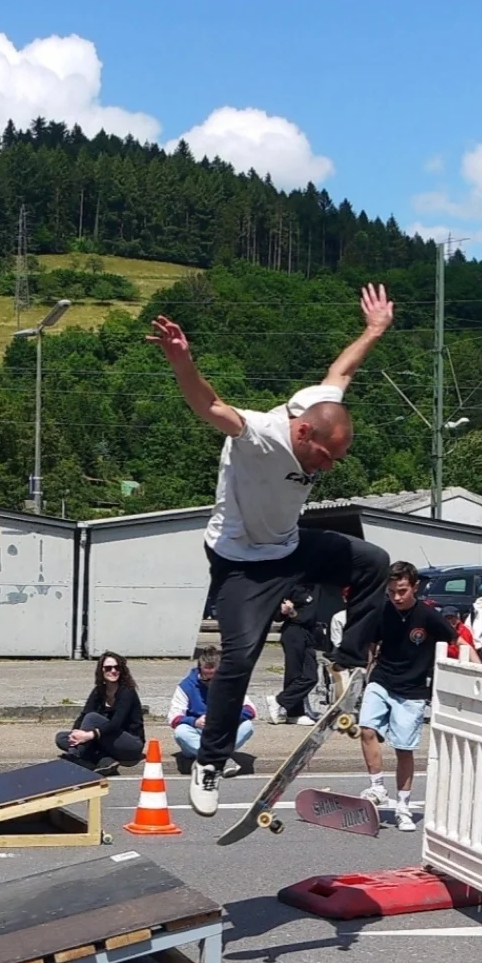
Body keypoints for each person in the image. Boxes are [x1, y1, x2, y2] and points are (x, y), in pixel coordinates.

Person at [148, 286, 395, 815]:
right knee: (239, 656)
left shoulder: (319, 406)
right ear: (302, 432)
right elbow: (209, 404)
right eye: (322, 458)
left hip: (289, 546)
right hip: (240, 562)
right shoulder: (258, 433)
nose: (324, 469)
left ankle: (348, 661)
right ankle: (211, 763)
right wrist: (182, 361)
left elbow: (341, 372)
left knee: (373, 562)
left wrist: (373, 330)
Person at [359, 562, 477, 832]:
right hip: (382, 679)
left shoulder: (428, 615)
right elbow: (372, 644)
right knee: (366, 729)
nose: (396, 597)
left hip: (412, 690)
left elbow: (460, 643)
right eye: (391, 591)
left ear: (414, 587)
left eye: (401, 591)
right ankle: (377, 788)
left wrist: (476, 671)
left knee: (403, 749)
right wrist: (365, 673)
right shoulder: (383, 609)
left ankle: (403, 807)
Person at [55, 652, 146, 776]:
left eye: (117, 667)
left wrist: (89, 735)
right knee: (61, 738)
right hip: (106, 740)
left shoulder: (127, 691)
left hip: (130, 744)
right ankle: (105, 760)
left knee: (92, 718)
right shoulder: (99, 691)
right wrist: (76, 733)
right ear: (101, 671)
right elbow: (83, 715)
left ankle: (76, 757)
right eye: (108, 668)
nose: (113, 671)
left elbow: (115, 723)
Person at [169, 646, 253, 776]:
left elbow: (250, 710)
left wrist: (226, 718)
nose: (210, 682)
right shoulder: (186, 686)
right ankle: (220, 759)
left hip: (222, 732)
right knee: (181, 732)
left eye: (215, 677)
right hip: (197, 732)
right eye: (206, 677)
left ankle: (207, 760)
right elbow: (174, 718)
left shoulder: (231, 684)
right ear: (200, 669)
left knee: (247, 726)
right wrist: (195, 721)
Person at [271, 585, 324, 726]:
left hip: (308, 633)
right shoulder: (292, 585)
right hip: (294, 632)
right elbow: (278, 615)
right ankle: (294, 713)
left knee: (311, 676)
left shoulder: (316, 585)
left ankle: (280, 701)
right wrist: (288, 611)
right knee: (294, 673)